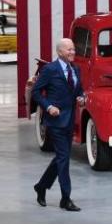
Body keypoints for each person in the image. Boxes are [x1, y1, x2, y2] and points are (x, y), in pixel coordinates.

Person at [31, 38, 84, 212]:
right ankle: (65, 198)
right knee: (63, 159)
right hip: (55, 121)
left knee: (61, 157)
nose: (72, 52)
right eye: (69, 50)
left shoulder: (75, 69)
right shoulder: (50, 69)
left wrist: (81, 97)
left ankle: (41, 186)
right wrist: (48, 106)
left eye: (73, 49)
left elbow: (78, 90)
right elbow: (36, 92)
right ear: (60, 52)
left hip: (69, 120)